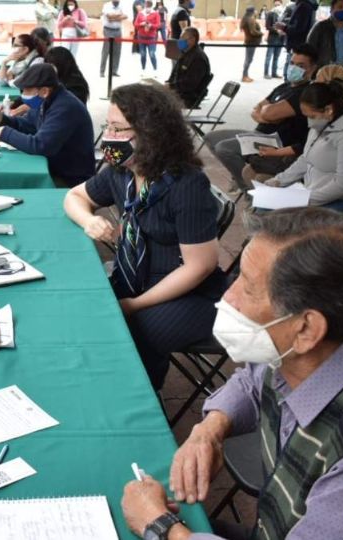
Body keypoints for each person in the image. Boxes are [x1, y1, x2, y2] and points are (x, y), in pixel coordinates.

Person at [121, 208, 343, 540]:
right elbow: (253, 381)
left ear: (307, 329)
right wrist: (210, 430)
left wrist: (161, 527)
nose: (228, 297)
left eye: (249, 288)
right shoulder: (306, 350)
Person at [64, 84, 225, 390]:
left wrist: (134, 305)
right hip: (137, 279)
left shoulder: (186, 184)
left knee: (134, 328)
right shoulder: (121, 171)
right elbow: (73, 196)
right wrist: (89, 220)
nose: (108, 136)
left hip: (189, 292)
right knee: (86, 304)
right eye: (107, 126)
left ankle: (138, 403)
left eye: (117, 128)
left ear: (150, 133)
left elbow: (199, 266)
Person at [205, 43, 318, 192]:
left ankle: (248, 191)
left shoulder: (304, 93)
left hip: (276, 141)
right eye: (292, 63)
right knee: (211, 137)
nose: (294, 68)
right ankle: (241, 176)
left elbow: (266, 112)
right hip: (258, 134)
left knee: (224, 148)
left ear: (312, 68)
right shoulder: (284, 87)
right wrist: (266, 115)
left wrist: (267, 113)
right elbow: (256, 110)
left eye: (301, 65)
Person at [265, 80, 343, 213]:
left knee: (277, 217)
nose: (309, 123)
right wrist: (279, 181)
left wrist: (302, 200)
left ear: (328, 109)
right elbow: (306, 159)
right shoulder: (324, 121)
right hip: (318, 194)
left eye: (312, 116)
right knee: (264, 207)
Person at [0, 64, 95, 187]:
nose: (23, 94)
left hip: (69, 179)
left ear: (44, 91)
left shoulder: (65, 107)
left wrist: (4, 132)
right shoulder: (46, 100)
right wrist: (2, 119)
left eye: (27, 90)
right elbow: (29, 126)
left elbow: (40, 145)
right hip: (54, 166)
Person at [306, 0, 343, 68]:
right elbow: (309, 49)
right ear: (331, 9)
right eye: (340, 7)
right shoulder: (320, 27)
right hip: (324, 71)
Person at [166, 27, 211, 108]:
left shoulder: (198, 58)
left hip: (188, 97)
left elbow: (190, 84)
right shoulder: (186, 53)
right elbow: (175, 74)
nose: (179, 40)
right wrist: (168, 84)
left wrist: (171, 87)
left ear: (192, 40)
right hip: (179, 92)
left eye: (182, 38)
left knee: (155, 102)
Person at [283, 0, 317, 76]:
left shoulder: (303, 6)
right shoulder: (308, 5)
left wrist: (284, 27)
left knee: (292, 75)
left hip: (297, 47)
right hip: (300, 46)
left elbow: (299, 28)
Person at [101, 0, 126, 78]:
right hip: (108, 30)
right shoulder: (106, 5)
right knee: (106, 51)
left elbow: (125, 16)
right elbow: (109, 16)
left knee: (117, 52)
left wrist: (113, 18)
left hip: (118, 31)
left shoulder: (122, 5)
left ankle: (114, 71)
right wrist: (118, 16)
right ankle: (102, 71)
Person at [134, 1, 160, 75]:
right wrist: (141, 24)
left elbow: (158, 25)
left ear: (151, 6)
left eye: (149, 6)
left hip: (151, 37)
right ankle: (143, 69)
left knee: (152, 53)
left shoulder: (156, 13)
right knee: (143, 54)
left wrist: (151, 25)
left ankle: (155, 70)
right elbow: (135, 24)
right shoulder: (140, 13)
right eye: (146, 5)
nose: (147, 7)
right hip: (141, 36)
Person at [241, 6, 263, 82]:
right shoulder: (251, 19)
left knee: (248, 59)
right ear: (252, 11)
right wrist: (261, 33)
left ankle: (245, 75)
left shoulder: (246, 19)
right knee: (248, 59)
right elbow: (253, 31)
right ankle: (244, 76)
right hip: (251, 42)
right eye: (255, 10)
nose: (257, 11)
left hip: (249, 41)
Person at [264, 0, 284, 78]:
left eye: (278, 4)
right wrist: (276, 30)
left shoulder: (283, 13)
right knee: (269, 56)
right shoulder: (270, 13)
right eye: (276, 4)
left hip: (281, 38)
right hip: (272, 38)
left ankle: (274, 73)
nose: (277, 6)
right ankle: (266, 73)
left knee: (276, 57)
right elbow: (267, 26)